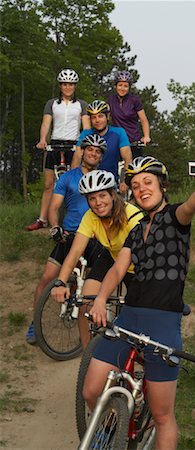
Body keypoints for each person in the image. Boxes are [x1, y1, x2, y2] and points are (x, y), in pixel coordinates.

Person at [83, 156, 195, 450]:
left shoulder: (176, 217)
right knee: (91, 390)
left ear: (162, 186)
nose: (142, 189)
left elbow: (192, 204)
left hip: (163, 322)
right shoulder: (135, 228)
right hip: (128, 318)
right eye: (136, 185)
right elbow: (117, 270)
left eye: (148, 183)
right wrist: (101, 299)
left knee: (163, 415)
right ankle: (110, 434)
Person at [25, 134, 106, 344]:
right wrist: (55, 227)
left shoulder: (105, 179)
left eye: (98, 151)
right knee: (47, 277)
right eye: (90, 149)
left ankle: (90, 323)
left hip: (95, 237)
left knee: (93, 283)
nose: (93, 153)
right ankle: (35, 323)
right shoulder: (68, 178)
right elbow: (54, 207)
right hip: (69, 234)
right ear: (83, 151)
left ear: (100, 156)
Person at [50, 169, 144, 348]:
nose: (98, 203)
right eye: (92, 199)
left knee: (137, 316)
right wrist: (60, 282)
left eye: (102, 196)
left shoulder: (133, 216)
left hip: (136, 265)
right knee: (86, 303)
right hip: (111, 256)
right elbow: (75, 252)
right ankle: (87, 352)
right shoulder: (90, 217)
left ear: (113, 194)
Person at [26, 68, 90, 231]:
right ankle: (42, 219)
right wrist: (42, 140)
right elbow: (46, 123)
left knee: (75, 184)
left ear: (75, 86)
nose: (68, 87)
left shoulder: (81, 104)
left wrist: (83, 143)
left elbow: (87, 126)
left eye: (71, 84)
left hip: (74, 145)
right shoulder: (52, 103)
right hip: (54, 144)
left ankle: (77, 219)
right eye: (65, 84)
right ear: (60, 86)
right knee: (48, 184)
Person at [72, 100, 132, 195]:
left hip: (111, 183)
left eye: (100, 116)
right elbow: (77, 158)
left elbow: (127, 159)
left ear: (107, 117)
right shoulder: (86, 134)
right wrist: (73, 180)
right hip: (88, 182)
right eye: (93, 117)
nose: (97, 120)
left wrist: (124, 181)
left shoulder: (119, 133)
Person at [108, 70, 151, 158]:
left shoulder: (134, 100)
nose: (122, 88)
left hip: (133, 141)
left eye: (125, 86)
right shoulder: (111, 100)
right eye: (120, 85)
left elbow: (144, 120)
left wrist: (146, 136)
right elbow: (105, 119)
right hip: (117, 141)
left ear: (129, 87)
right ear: (115, 86)